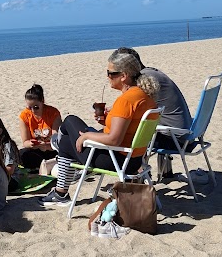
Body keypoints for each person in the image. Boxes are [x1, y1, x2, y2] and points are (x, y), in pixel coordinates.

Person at [42, 50, 159, 206]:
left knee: (70, 121)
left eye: (110, 73)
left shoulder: (126, 100)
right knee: (67, 143)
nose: (107, 77)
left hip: (115, 159)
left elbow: (114, 139)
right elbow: (129, 128)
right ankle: (60, 192)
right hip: (136, 159)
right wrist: (107, 122)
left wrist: (86, 136)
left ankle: (57, 145)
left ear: (123, 76)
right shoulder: (145, 96)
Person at [113, 47, 192, 174]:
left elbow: (134, 111)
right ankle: (163, 172)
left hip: (175, 139)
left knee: (132, 133)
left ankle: (138, 174)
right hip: (186, 133)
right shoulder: (151, 74)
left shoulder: (145, 81)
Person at [18, 84, 62, 170]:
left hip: (52, 149)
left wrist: (47, 146)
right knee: (21, 154)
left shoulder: (53, 113)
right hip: (36, 150)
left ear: (42, 101)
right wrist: (31, 144)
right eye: (29, 107)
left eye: (36, 107)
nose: (33, 111)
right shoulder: (24, 116)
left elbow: (56, 139)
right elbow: (25, 142)